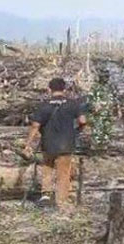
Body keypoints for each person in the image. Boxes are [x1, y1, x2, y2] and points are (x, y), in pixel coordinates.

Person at [23, 77, 87, 211]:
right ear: (64, 89)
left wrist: (28, 144)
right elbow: (82, 121)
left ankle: (46, 196)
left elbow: (35, 126)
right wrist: (76, 132)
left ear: (49, 89)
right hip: (66, 145)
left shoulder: (44, 106)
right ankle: (61, 202)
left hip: (48, 144)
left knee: (47, 170)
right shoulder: (73, 104)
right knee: (63, 174)